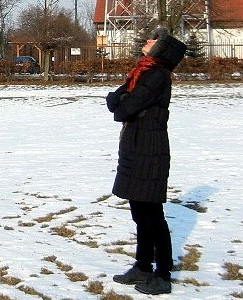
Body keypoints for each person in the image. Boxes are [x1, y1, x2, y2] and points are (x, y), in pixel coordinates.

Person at [105, 27, 187, 295]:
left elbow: (123, 108)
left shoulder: (156, 76)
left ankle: (162, 273)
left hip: (150, 150)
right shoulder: (141, 71)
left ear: (161, 50)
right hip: (135, 147)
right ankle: (142, 266)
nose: (148, 41)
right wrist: (123, 101)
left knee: (153, 215)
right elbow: (114, 100)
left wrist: (123, 102)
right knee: (139, 212)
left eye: (154, 40)